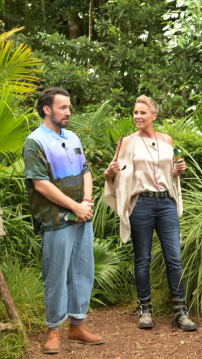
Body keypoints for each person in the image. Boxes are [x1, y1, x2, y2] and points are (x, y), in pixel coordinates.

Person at [102, 95, 197, 331]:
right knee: (142, 259)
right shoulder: (127, 142)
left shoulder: (166, 140)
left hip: (166, 203)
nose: (137, 116)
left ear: (154, 115)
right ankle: (145, 310)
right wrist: (109, 172)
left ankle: (180, 312)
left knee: (174, 258)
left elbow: (169, 174)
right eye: (135, 112)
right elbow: (114, 175)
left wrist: (178, 171)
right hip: (141, 204)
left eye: (142, 113)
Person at [22, 87, 104, 354]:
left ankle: (77, 327)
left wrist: (87, 203)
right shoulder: (35, 141)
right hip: (55, 220)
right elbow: (41, 185)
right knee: (55, 276)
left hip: (82, 216)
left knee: (82, 272)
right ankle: (54, 330)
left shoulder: (72, 136)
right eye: (63, 108)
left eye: (69, 107)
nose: (68, 112)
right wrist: (75, 207)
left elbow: (85, 171)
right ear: (47, 110)